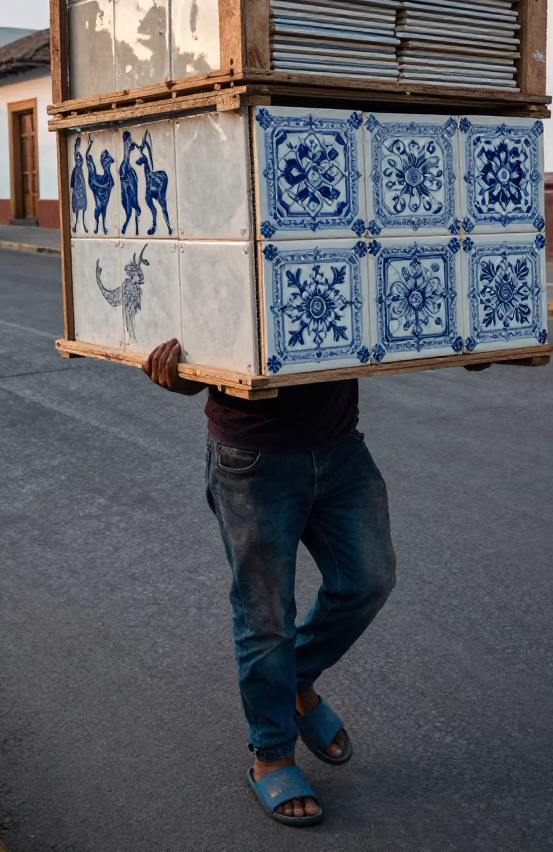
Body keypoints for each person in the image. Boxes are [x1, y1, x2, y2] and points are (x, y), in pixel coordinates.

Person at [143, 338, 397, 827]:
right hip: (253, 455)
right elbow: (188, 317)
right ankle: (272, 753)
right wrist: (175, 374)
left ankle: (294, 681)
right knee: (265, 616)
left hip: (341, 446)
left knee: (369, 580)